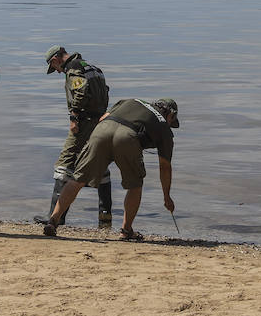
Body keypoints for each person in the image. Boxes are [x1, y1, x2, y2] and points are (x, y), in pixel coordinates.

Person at [43, 98, 178, 242]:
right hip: (127, 137)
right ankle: (126, 231)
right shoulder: (164, 127)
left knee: (78, 179)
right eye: (172, 121)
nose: (170, 125)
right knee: (135, 185)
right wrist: (166, 197)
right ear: (171, 114)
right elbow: (164, 167)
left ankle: (53, 220)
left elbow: (103, 118)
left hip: (102, 130)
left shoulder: (132, 101)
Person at [42, 46, 113, 227]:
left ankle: (55, 217)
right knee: (100, 164)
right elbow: (105, 92)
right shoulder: (93, 68)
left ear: (56, 59)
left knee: (64, 164)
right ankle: (105, 218)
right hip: (99, 122)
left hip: (83, 123)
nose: (58, 72)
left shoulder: (73, 68)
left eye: (54, 67)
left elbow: (80, 93)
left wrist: (74, 117)